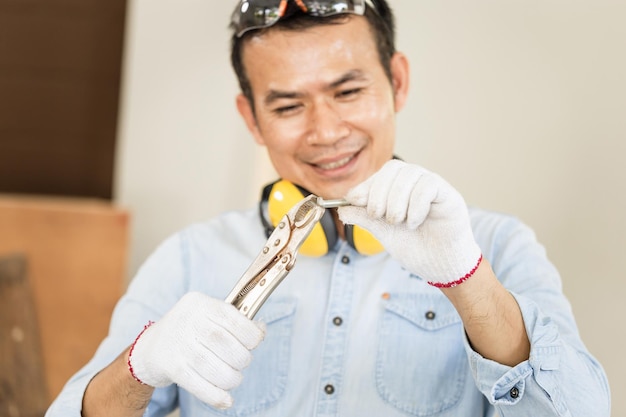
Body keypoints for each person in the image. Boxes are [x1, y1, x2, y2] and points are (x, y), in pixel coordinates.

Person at [46, 1, 610, 416]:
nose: (325, 132)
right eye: (288, 105)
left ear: (397, 81)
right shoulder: (191, 258)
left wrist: (468, 279)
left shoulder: (501, 246)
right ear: (252, 119)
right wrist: (138, 365)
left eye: (347, 92)